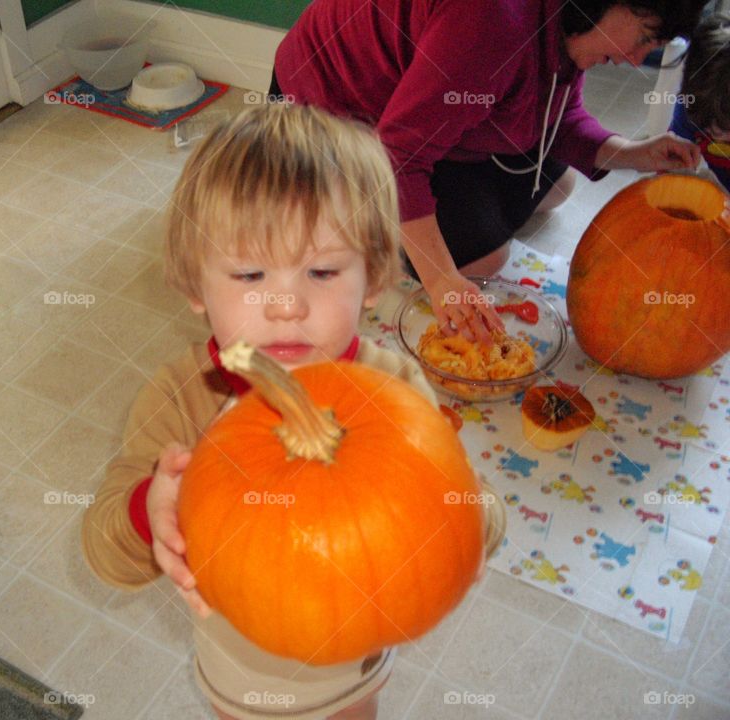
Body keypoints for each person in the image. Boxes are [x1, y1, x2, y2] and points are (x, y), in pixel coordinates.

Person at [81, 104, 505, 720]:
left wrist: (458, 509)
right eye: (250, 273)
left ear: (376, 278)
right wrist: (153, 512)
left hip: (356, 657)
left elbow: (479, 523)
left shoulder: (394, 386)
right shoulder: (183, 398)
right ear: (196, 287)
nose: (286, 305)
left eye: (323, 270)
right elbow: (103, 551)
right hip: (241, 667)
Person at [271, 0, 707, 343]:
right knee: (486, 258)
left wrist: (633, 153)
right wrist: (442, 278)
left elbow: (556, 116)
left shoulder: (567, 21)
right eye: (645, 36)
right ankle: (344, 234)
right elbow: (398, 157)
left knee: (560, 183)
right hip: (330, 121)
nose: (636, 59)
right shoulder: (491, 24)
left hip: (422, 116)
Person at [669, 13, 730, 192]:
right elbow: (676, 157)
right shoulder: (691, 106)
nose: (718, 136)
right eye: (708, 128)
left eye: (727, 129)